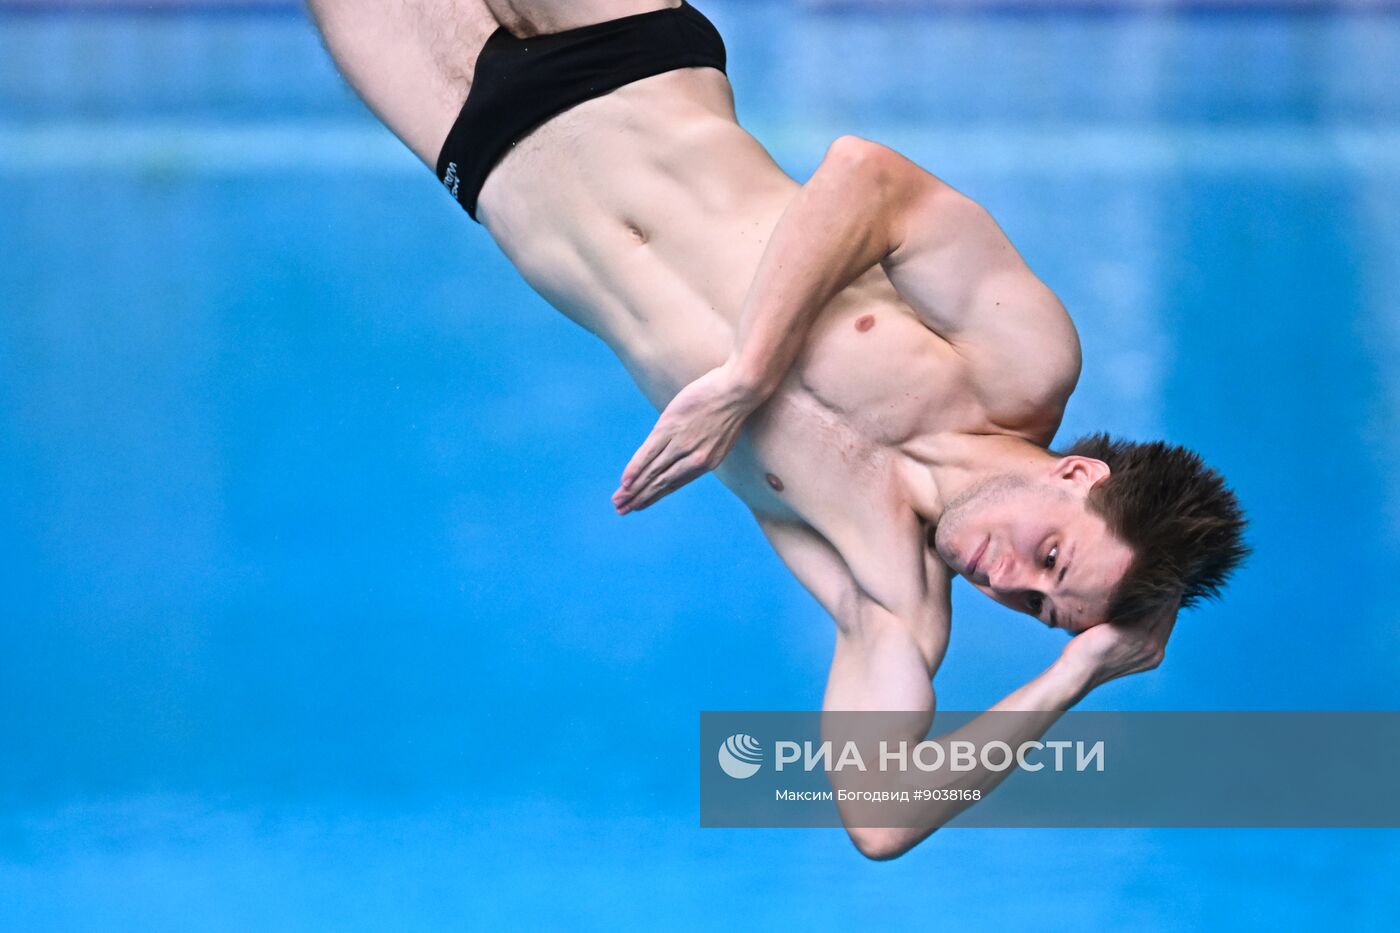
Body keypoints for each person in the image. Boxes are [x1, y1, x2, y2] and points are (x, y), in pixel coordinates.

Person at [306, 0, 1248, 858]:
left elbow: (878, 821)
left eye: (1040, 609)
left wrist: (1075, 674)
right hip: (627, 61)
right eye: (1050, 558)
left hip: (492, 154)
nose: (1005, 580)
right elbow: (866, 178)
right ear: (1078, 477)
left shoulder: (890, 596)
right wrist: (747, 375)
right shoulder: (1021, 363)